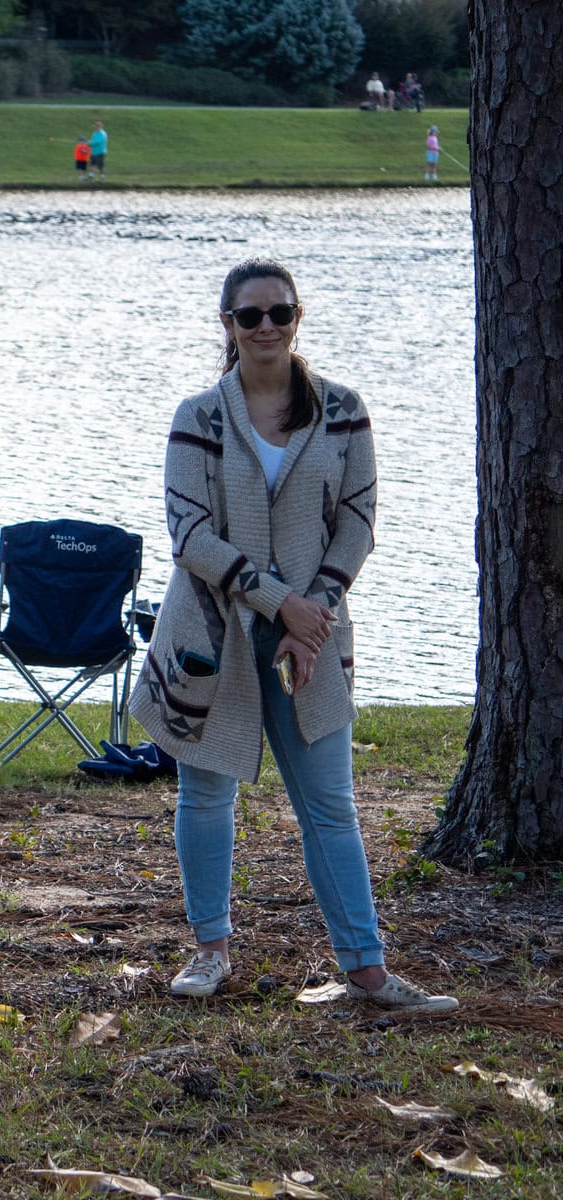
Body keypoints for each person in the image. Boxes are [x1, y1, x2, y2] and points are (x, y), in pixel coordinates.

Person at [131, 258, 458, 1015]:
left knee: (330, 805)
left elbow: (358, 522)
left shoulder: (343, 412)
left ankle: (367, 971)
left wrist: (314, 616)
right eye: (250, 315)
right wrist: (284, 605)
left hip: (314, 640)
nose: (266, 326)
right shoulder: (197, 417)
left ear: (297, 317)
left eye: (279, 312)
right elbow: (189, 535)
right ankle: (210, 951)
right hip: (210, 635)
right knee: (205, 795)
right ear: (228, 325)